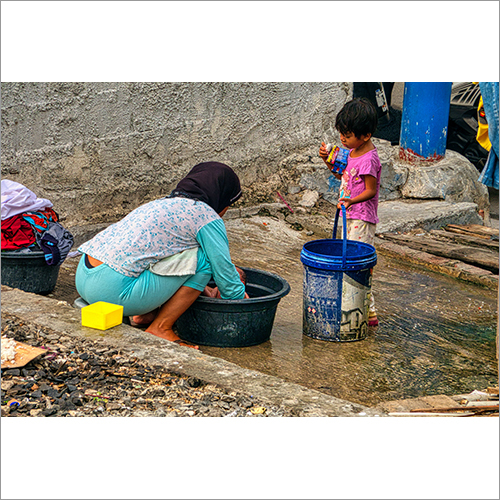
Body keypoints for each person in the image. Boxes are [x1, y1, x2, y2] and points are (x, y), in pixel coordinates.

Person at [75, 162, 247, 349]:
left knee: (168, 254)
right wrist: (240, 299)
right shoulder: (205, 215)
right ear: (221, 196)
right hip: (112, 292)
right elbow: (224, 271)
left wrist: (204, 290)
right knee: (205, 259)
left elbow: (164, 260)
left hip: (84, 278)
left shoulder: (162, 204)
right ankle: (161, 327)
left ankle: (144, 315)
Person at [319, 97, 382, 327]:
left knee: (357, 263)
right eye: (341, 134)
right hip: (350, 214)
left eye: (347, 135)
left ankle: (368, 312)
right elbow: (341, 176)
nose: (343, 140)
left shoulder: (368, 159)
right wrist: (328, 160)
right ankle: (361, 308)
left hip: (361, 217)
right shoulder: (353, 153)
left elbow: (370, 190)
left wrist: (349, 201)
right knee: (350, 261)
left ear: (365, 135)